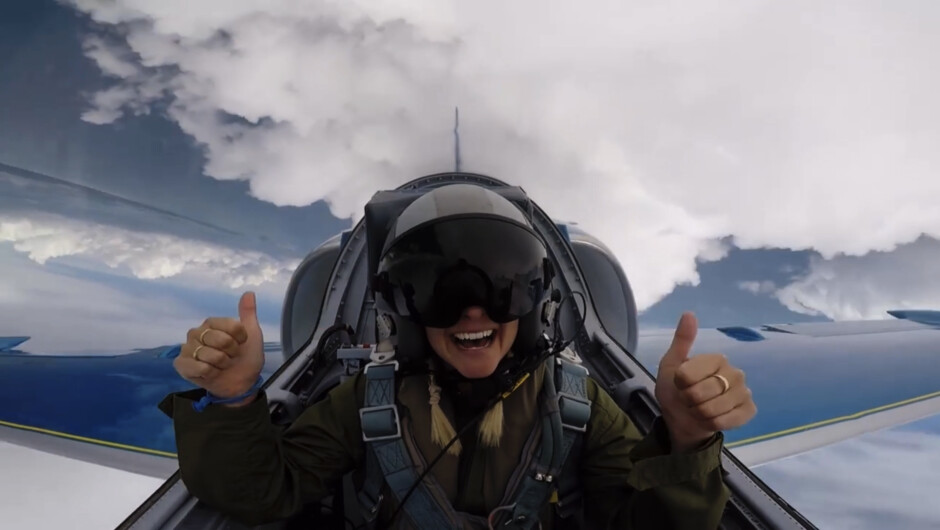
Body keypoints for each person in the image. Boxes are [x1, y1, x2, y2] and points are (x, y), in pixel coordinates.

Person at [160, 184, 757, 529]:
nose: (473, 313)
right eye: (437, 290)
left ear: (536, 302)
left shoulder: (577, 404)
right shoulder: (367, 401)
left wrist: (685, 443)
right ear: (404, 310)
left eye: (503, 288)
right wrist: (233, 400)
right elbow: (258, 494)